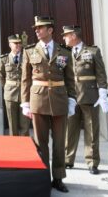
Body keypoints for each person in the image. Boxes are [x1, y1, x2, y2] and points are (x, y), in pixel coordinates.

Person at [21, 16, 76, 193]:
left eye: (40, 28)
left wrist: (72, 99)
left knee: (59, 142)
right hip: (38, 99)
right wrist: (25, 103)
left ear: (50, 30)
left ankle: (58, 178)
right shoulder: (30, 51)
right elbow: (25, 79)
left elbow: (70, 78)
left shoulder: (64, 51)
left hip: (60, 99)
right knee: (40, 142)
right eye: (35, 28)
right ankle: (43, 177)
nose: (36, 30)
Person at [62, 25, 108, 175]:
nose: (64, 38)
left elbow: (101, 73)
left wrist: (103, 92)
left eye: (66, 35)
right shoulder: (64, 53)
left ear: (74, 35)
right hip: (71, 97)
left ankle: (92, 162)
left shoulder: (93, 51)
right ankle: (68, 159)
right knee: (69, 129)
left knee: (91, 130)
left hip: (89, 96)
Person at [0, 34, 30, 136]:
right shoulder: (4, 59)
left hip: (25, 95)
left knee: (25, 125)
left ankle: (25, 147)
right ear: (10, 44)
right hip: (10, 95)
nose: (18, 45)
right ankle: (14, 148)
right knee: (12, 125)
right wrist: (7, 88)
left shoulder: (26, 58)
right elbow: (1, 76)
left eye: (19, 43)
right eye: (15, 43)